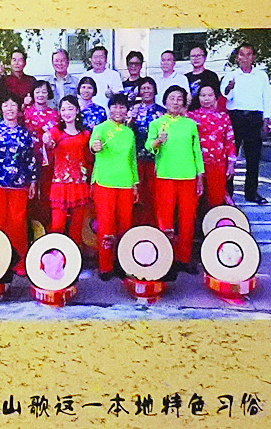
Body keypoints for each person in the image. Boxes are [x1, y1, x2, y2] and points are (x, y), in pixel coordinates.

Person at [147, 86, 205, 271]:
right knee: (165, 219)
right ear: (165, 101)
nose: (176, 102)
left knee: (187, 219)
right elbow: (149, 146)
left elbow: (197, 151)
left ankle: (184, 258)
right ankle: (165, 258)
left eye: (179, 98)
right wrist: (158, 141)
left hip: (188, 176)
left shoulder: (190, 124)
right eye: (172, 98)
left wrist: (200, 175)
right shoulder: (157, 123)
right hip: (165, 175)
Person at [0, 97, 38, 273]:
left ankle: (20, 261)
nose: (10, 108)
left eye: (13, 105)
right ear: (1, 108)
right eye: (6, 105)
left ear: (19, 109)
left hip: (19, 183)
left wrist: (33, 181)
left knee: (18, 222)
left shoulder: (25, 133)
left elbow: (30, 158)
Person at [88, 93, 140, 280]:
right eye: (115, 106)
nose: (118, 110)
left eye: (122, 107)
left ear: (127, 110)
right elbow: (93, 146)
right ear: (109, 109)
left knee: (125, 225)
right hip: (105, 182)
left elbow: (132, 160)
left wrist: (135, 184)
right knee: (106, 225)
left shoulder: (129, 133)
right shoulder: (100, 129)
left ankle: (123, 263)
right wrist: (95, 147)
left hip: (126, 183)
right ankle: (105, 266)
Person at [221, 44, 271, 204]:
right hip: (236, 117)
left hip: (254, 118)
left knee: (253, 157)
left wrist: (266, 119)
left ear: (253, 57)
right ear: (237, 58)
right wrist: (230, 87)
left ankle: (251, 193)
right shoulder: (231, 75)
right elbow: (225, 96)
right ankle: (227, 193)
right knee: (231, 156)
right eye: (241, 55)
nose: (245, 58)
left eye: (248, 54)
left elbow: (266, 98)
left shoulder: (261, 76)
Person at [46, 96, 95, 254]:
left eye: (70, 108)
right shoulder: (55, 132)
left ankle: (75, 258)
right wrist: (47, 142)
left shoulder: (86, 134)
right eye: (63, 109)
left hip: (79, 185)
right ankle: (55, 256)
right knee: (58, 225)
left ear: (77, 111)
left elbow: (90, 158)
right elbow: (49, 146)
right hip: (60, 185)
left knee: (77, 226)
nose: (67, 112)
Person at [190, 82, 236, 210]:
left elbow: (230, 141)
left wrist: (231, 164)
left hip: (218, 164)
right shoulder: (191, 117)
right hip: (195, 165)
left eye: (210, 95)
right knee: (195, 201)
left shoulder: (224, 117)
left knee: (216, 199)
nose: (206, 98)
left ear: (215, 97)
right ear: (198, 97)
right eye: (203, 95)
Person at [22, 82, 62, 228]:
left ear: (48, 94)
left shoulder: (55, 114)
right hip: (28, 158)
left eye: (44, 92)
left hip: (48, 159)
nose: (40, 95)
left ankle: (46, 225)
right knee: (29, 192)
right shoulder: (25, 112)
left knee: (46, 191)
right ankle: (29, 226)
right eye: (37, 92)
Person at [127, 78, 163, 225]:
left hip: (156, 159)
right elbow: (126, 132)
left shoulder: (161, 111)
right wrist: (131, 119)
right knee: (137, 193)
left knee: (154, 194)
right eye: (143, 88)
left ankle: (154, 225)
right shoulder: (133, 110)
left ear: (155, 90)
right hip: (137, 158)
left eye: (149, 88)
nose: (146, 91)